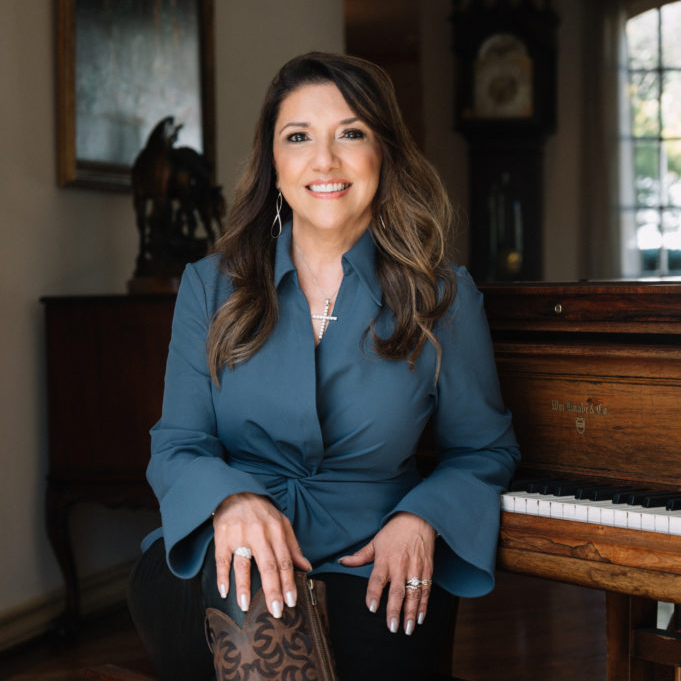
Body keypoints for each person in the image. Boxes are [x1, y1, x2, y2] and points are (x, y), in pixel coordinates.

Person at [128, 51, 520, 681]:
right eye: (299, 137)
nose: (325, 161)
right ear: (274, 163)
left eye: (352, 134)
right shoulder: (209, 286)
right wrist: (230, 501)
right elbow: (177, 444)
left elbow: (484, 451)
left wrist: (423, 516)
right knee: (246, 592)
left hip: (377, 562)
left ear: (383, 154)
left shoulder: (444, 297)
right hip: (222, 551)